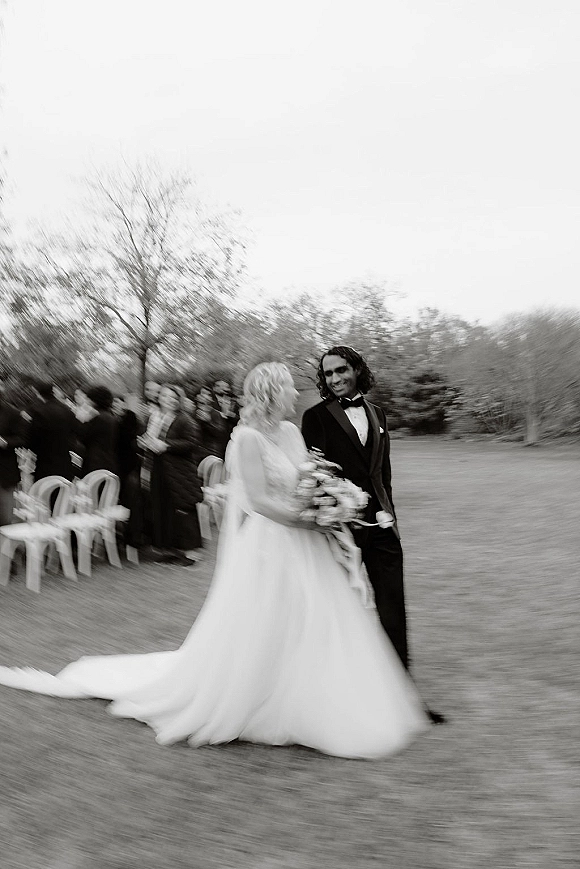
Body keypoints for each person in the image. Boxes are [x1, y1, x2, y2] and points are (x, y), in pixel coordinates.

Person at [0, 363, 429, 758]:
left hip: (306, 539)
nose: (295, 394)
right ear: (270, 392)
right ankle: (264, 697)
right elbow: (259, 501)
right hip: (274, 541)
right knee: (269, 619)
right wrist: (309, 520)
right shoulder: (245, 437)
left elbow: (304, 478)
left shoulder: (292, 431)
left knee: (316, 617)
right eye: (288, 387)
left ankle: (321, 693)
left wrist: (327, 500)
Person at [301, 346, 445, 723]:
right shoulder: (314, 417)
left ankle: (404, 699)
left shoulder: (379, 415)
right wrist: (334, 511)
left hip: (382, 529)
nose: (335, 379)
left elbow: (383, 473)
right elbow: (314, 475)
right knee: (337, 613)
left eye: (341, 370)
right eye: (328, 373)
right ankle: (333, 701)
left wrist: (391, 517)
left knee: (393, 610)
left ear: (357, 370)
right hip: (339, 531)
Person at [138, 384, 203, 565]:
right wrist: (145, 442)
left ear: (179, 400)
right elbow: (149, 437)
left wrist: (167, 445)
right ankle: (167, 550)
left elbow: (192, 443)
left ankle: (190, 553)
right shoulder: (154, 416)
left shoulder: (185, 420)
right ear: (159, 397)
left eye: (173, 397)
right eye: (165, 396)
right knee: (163, 509)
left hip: (179, 470)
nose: (169, 400)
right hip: (159, 467)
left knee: (184, 509)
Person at [27, 380, 79, 481]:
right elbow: (75, 433)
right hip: (65, 463)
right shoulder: (68, 410)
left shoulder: (39, 412)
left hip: (45, 463)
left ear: (38, 393)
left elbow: (32, 441)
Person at [0, 378, 26, 526]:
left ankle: (6, 547)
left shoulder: (12, 413)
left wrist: (4, 442)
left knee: (4, 518)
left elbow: (22, 439)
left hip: (4, 473)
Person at [78, 385, 119, 477]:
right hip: (108, 461)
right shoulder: (111, 417)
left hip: (94, 463)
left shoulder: (97, 417)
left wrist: (81, 419)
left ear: (95, 401)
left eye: (89, 400)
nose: (87, 402)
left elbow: (83, 436)